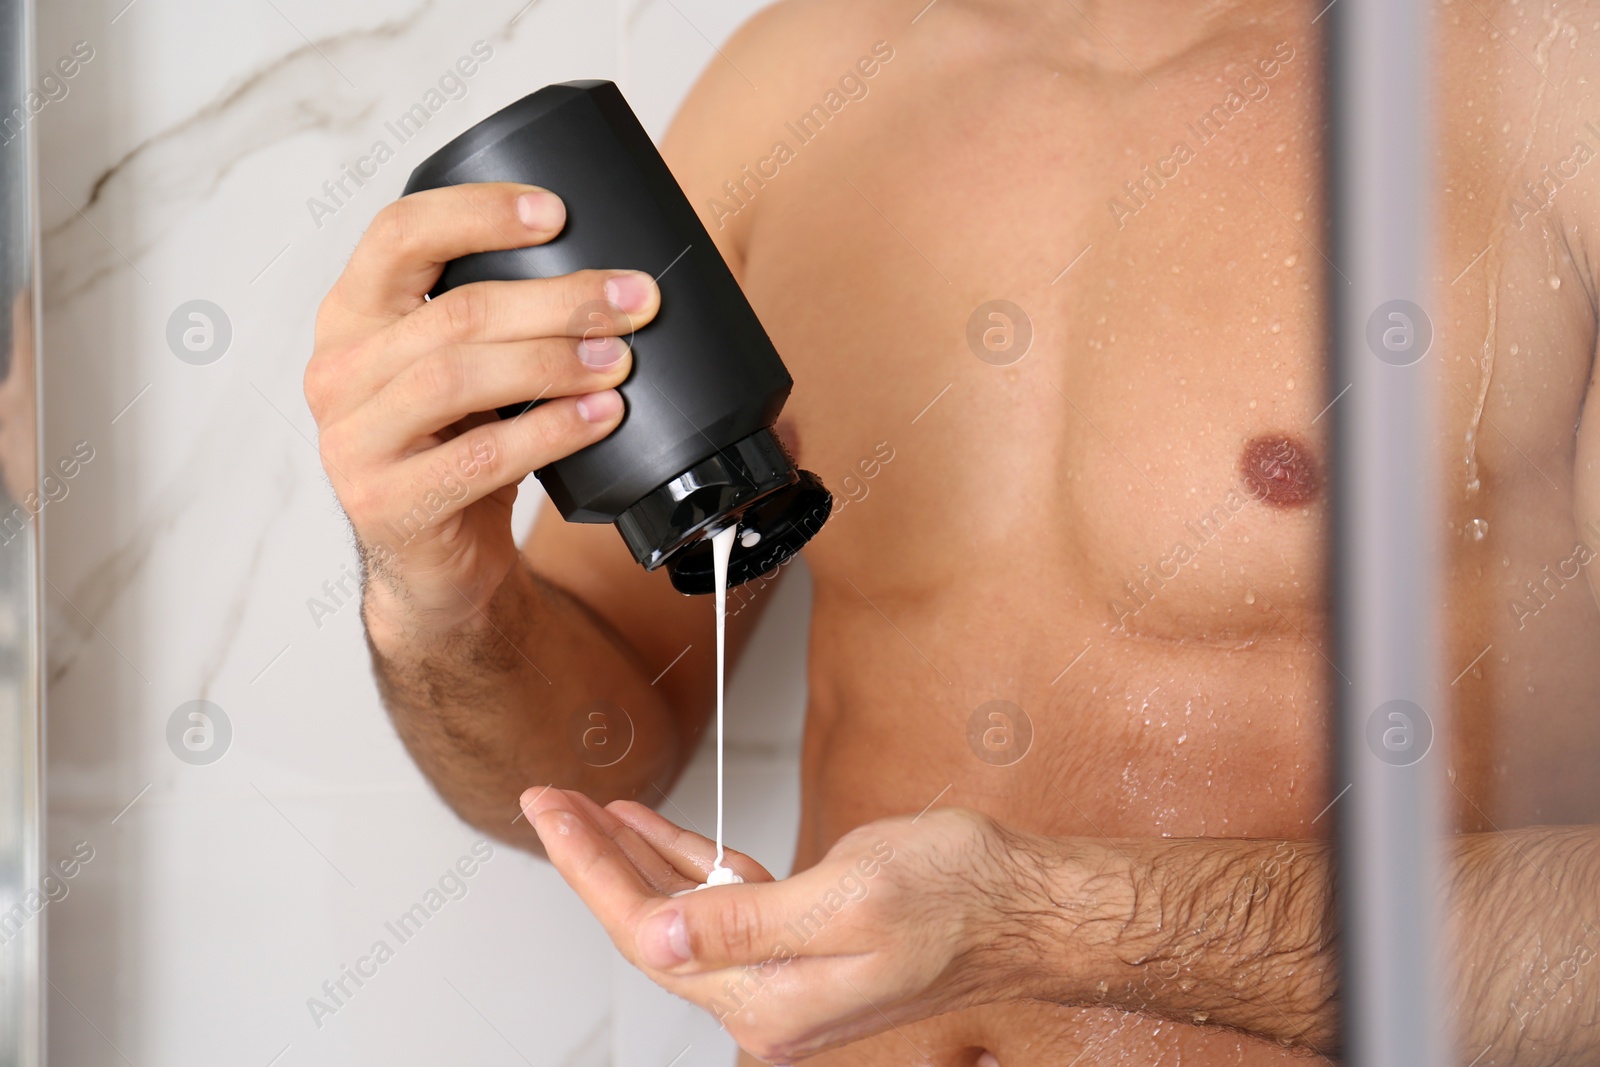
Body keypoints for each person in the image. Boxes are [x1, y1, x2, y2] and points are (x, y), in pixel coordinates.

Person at [304, 0, 1600, 1062]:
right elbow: (586, 767)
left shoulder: (1552, 82)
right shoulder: (799, 80)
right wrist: (443, 594)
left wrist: (1041, 923)